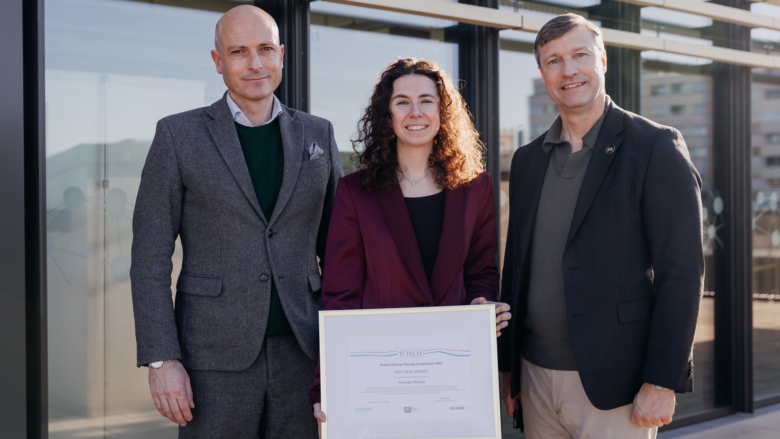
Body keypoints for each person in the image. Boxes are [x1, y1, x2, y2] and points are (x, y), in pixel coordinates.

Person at [129, 5, 343, 438]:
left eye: (265, 49)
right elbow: (150, 256)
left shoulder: (318, 133)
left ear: (281, 54)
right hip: (210, 360)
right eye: (239, 51)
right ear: (218, 61)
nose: (255, 63)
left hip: (305, 355)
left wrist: (349, 348)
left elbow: (341, 251)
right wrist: (162, 359)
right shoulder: (177, 136)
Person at [498, 13, 704, 439]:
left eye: (580, 55)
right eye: (554, 61)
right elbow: (515, 268)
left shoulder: (655, 146)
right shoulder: (526, 160)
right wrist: (507, 366)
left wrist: (662, 379)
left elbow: (681, 273)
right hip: (534, 378)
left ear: (603, 61)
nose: (568, 70)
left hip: (616, 384)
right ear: (542, 73)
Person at [309, 58, 511, 437]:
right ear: (387, 115)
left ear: (443, 112)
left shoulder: (478, 188)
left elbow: (481, 271)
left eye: (426, 100)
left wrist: (482, 303)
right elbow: (340, 297)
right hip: (380, 382)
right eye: (402, 101)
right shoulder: (355, 193)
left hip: (454, 381)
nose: (415, 111)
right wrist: (327, 387)